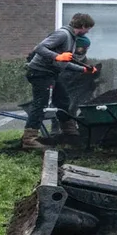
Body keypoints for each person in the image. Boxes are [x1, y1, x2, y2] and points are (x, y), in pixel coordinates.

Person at [21, 13, 98, 151]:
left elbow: (64, 63)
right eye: (88, 28)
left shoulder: (72, 38)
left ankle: (69, 133)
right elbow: (39, 48)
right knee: (41, 104)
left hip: (51, 73)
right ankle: (29, 139)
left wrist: (83, 70)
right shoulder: (62, 34)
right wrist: (58, 56)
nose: (88, 32)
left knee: (63, 100)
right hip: (40, 73)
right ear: (82, 26)